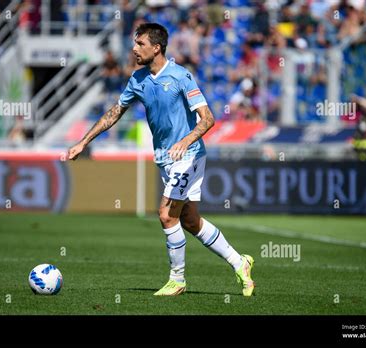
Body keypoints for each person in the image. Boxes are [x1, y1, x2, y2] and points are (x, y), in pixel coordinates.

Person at [68, 23, 255, 297]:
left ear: (156, 47)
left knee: (167, 216)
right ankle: (241, 263)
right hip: (167, 160)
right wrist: (84, 141)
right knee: (190, 221)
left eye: (140, 43)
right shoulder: (138, 79)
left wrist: (185, 141)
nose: (134, 48)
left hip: (188, 156)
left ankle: (177, 280)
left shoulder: (181, 77)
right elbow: (114, 112)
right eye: (134, 43)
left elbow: (208, 119)